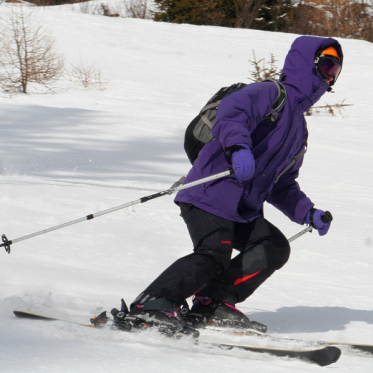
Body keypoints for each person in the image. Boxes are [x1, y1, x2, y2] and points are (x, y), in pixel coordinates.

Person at [124, 36, 344, 335]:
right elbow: (232, 111)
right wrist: (238, 147)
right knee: (213, 255)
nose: (330, 75)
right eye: (327, 65)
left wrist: (308, 212)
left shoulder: (299, 128)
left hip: (241, 209)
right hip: (210, 194)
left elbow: (283, 185)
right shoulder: (271, 93)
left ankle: (213, 302)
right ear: (308, 64)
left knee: (273, 246)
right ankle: (150, 305)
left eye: (335, 71)